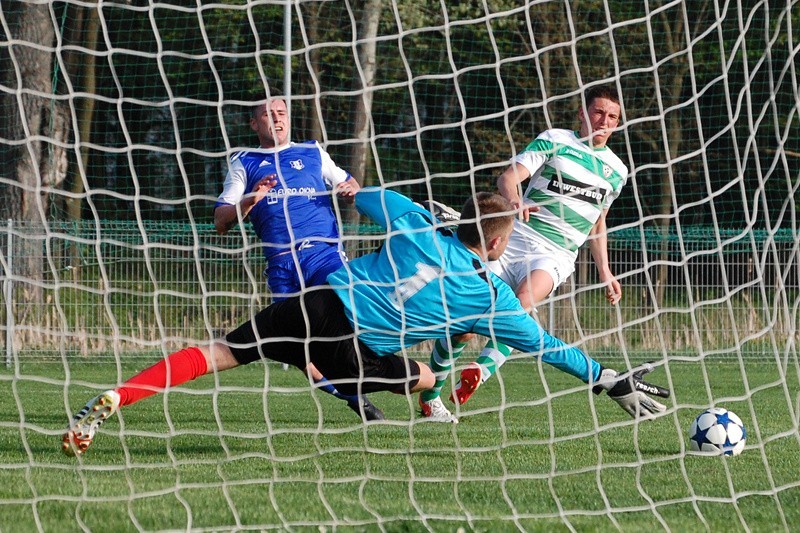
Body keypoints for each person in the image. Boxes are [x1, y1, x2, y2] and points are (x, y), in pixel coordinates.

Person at [62, 187, 670, 456]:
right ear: (497, 245)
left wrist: (409, 208)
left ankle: (119, 394)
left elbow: (359, 197)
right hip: (351, 344)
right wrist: (605, 377)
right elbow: (546, 345)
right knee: (427, 380)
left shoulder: (414, 220)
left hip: (317, 300)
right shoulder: (492, 298)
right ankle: (425, 394)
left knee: (221, 352)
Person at [420, 84, 630, 421]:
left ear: (618, 123)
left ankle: (481, 369)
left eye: (612, 116)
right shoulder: (556, 139)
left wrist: (604, 270)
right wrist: (516, 200)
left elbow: (597, 222)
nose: (604, 120)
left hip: (555, 253)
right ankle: (431, 399)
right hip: (513, 239)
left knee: (521, 305)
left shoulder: (617, 171)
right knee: (463, 325)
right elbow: (508, 179)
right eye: (598, 112)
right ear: (582, 113)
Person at [213, 97, 383, 422]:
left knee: (349, 324)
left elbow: (350, 183)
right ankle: (354, 398)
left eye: (281, 113)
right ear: (254, 124)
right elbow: (221, 220)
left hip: (325, 257)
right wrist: (249, 201)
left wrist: (350, 188)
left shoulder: (312, 152)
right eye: (267, 114)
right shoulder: (244, 163)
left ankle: (377, 375)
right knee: (300, 350)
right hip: (282, 266)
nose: (276, 119)